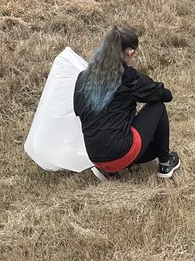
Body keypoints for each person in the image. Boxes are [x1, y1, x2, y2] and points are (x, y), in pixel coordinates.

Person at [73, 26, 181, 179]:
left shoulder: (82, 78)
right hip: (121, 154)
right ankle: (165, 164)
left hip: (95, 157)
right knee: (157, 106)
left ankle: (107, 170)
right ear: (130, 51)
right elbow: (164, 95)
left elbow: (78, 111)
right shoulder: (128, 78)